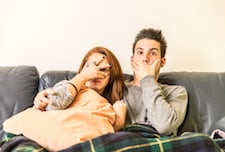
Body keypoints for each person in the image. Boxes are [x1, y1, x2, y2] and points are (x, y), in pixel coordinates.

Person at [3, 46, 127, 151]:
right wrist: (83, 77)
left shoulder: (109, 107)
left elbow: (101, 139)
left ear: (111, 76)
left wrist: (118, 124)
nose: (96, 72)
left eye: (103, 69)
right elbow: (54, 103)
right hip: (32, 139)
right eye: (91, 66)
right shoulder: (68, 85)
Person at [123, 28, 188, 136]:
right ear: (132, 60)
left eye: (152, 53)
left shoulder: (177, 92)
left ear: (162, 62)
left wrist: (147, 78)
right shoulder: (118, 88)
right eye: (140, 52)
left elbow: (164, 126)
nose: (145, 58)